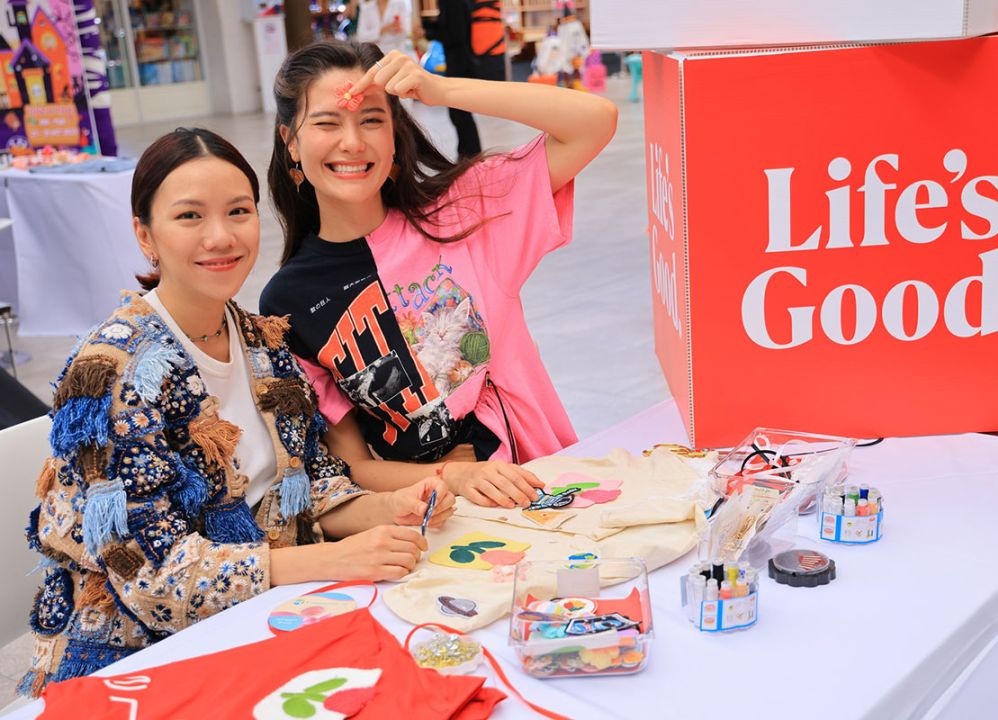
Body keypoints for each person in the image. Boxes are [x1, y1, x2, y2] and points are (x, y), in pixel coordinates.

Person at [17, 128, 454, 698]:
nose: (221, 237)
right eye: (190, 217)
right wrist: (330, 559)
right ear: (144, 235)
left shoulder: (260, 338)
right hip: (141, 659)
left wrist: (384, 509)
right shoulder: (113, 371)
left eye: (238, 211)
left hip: (263, 617)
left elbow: (303, 482)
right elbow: (154, 575)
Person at [259, 40, 617, 509]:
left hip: (546, 487)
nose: (352, 142)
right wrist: (454, 474)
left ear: (394, 138)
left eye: (372, 120)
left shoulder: (464, 216)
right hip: (437, 520)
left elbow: (595, 121)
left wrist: (438, 87)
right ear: (291, 142)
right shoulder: (287, 300)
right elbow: (353, 465)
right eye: (328, 123)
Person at [424, 0, 482, 158]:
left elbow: (455, 35)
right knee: (459, 113)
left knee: (460, 113)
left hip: (460, 64)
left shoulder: (452, 3)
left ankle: (470, 154)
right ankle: (467, 152)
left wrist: (428, 33)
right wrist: (427, 26)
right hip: (458, 62)